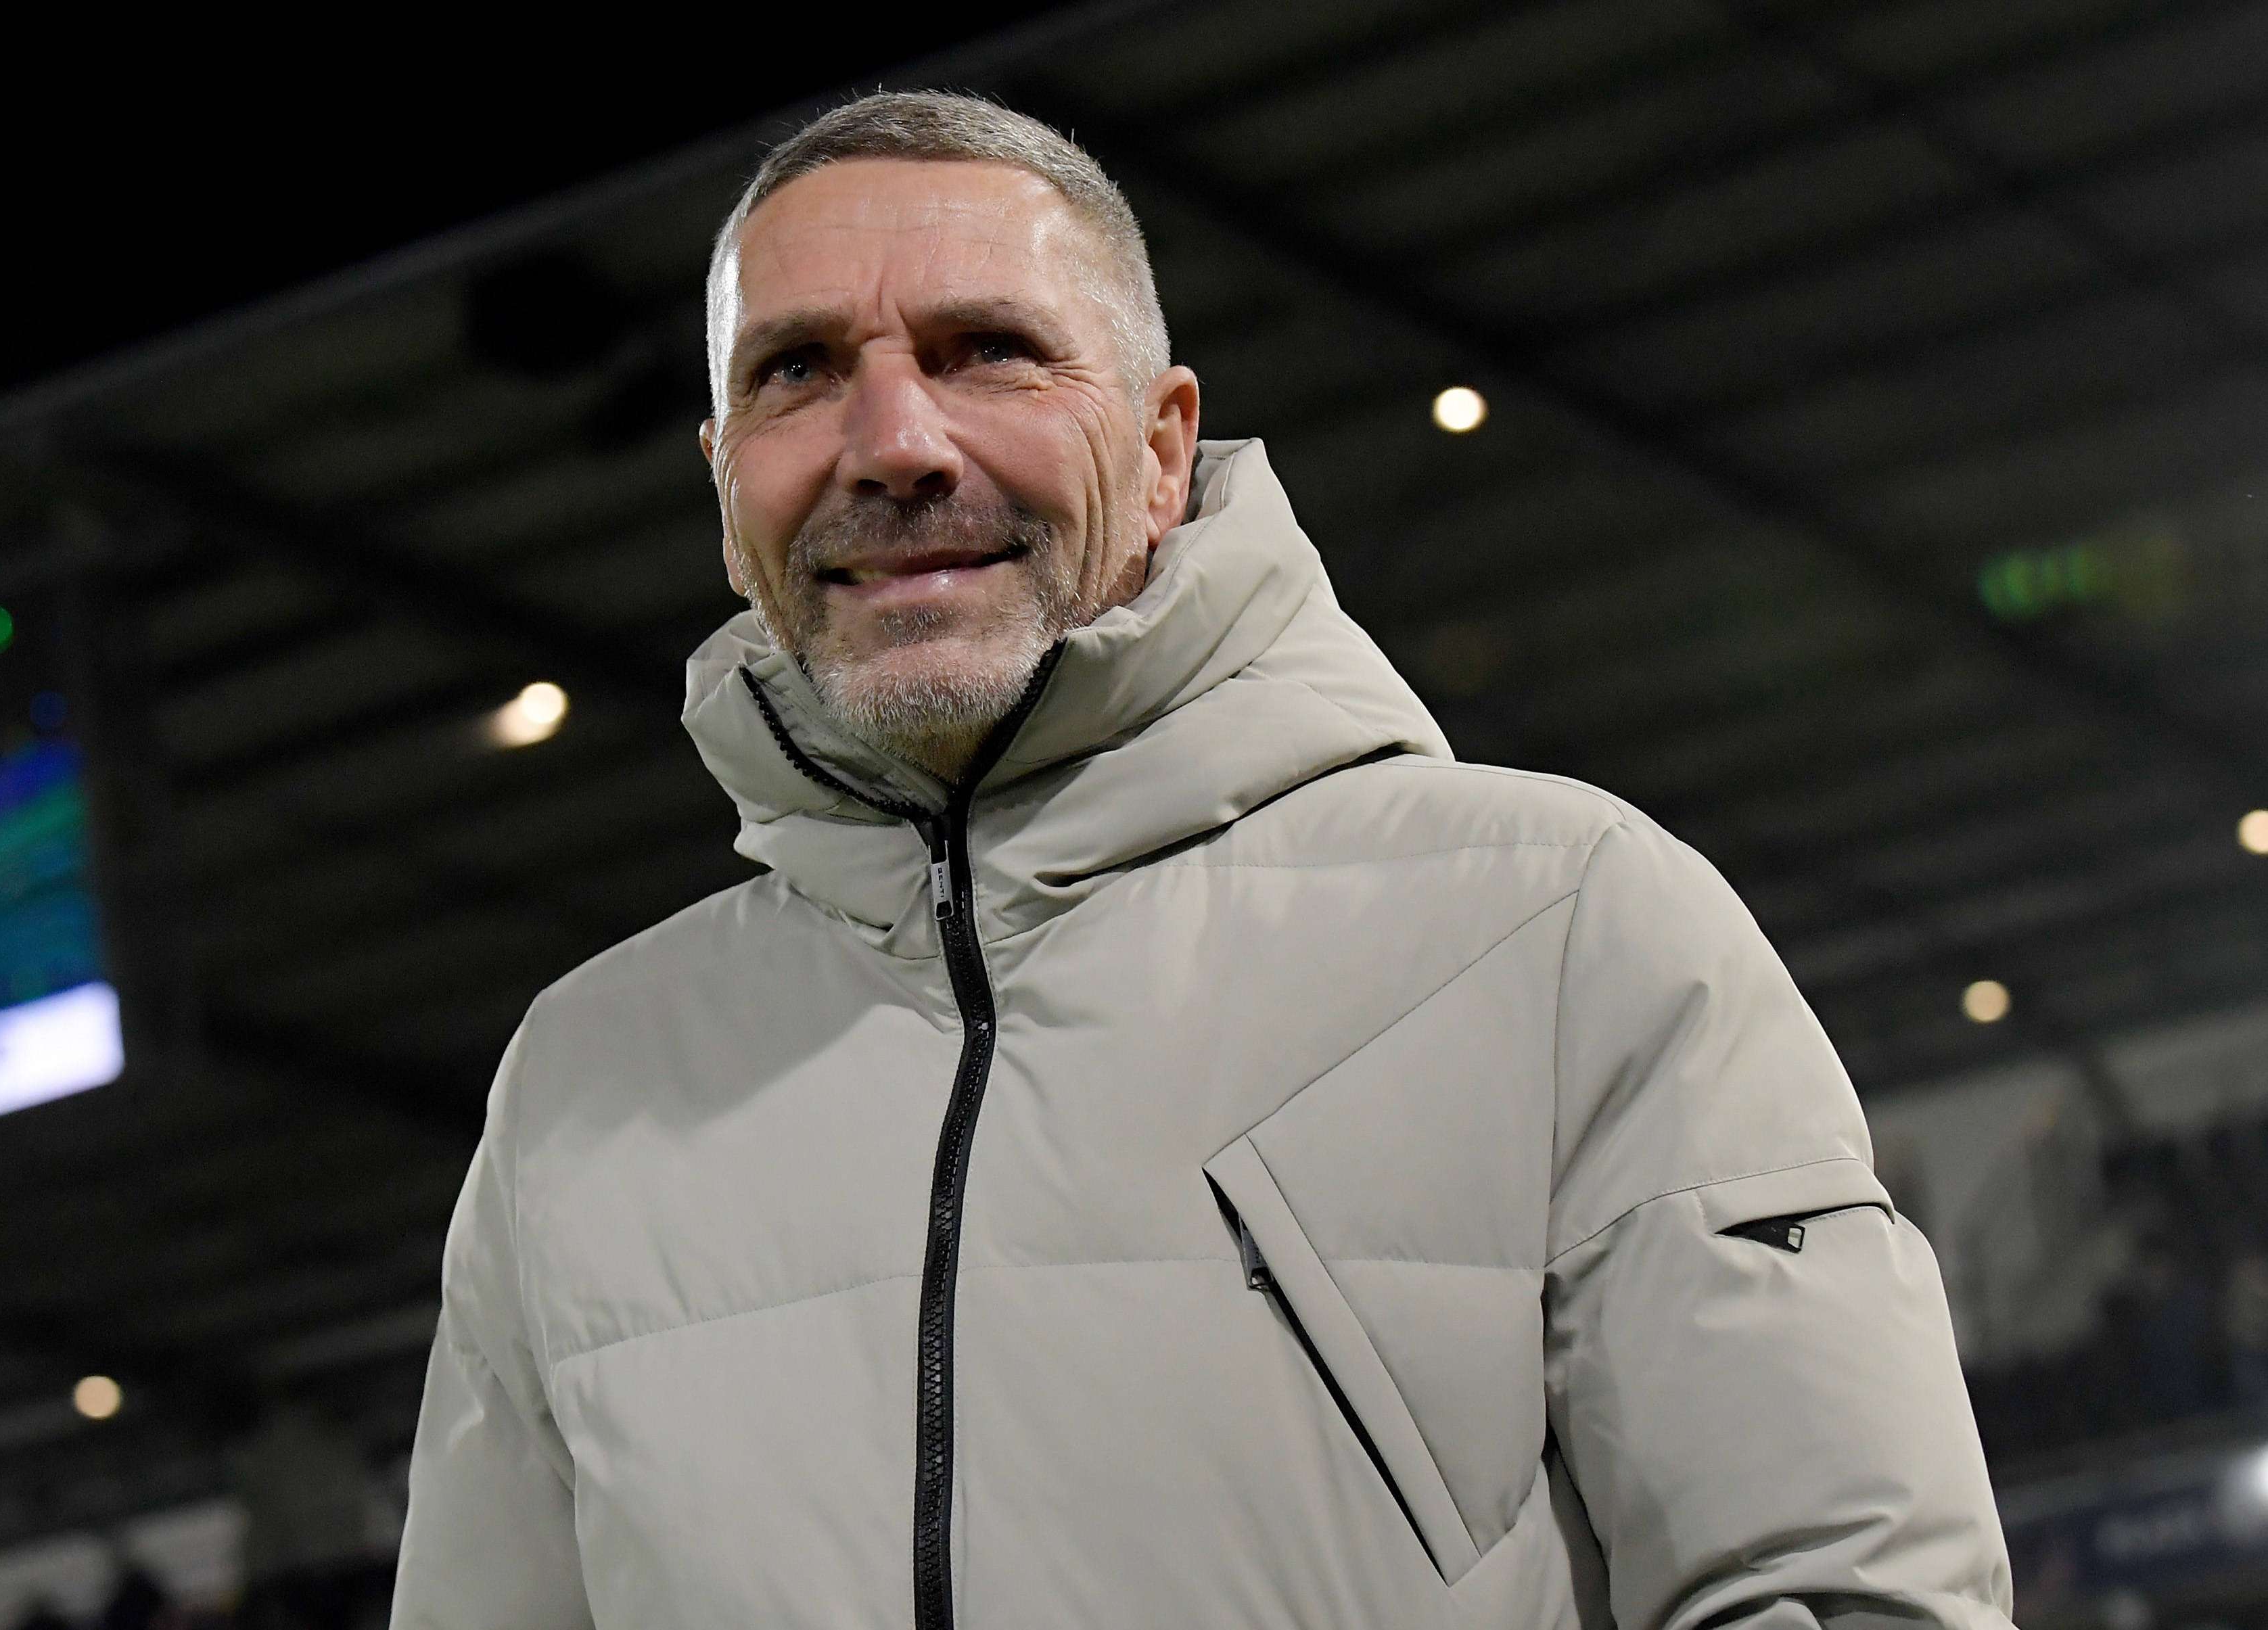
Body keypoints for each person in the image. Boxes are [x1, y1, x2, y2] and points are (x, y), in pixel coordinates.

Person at [392, 91, 2013, 1629]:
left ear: (1164, 446)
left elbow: (1842, 1584)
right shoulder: (581, 1090)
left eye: (986, 351)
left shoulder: (1558, 919)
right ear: (722, 480)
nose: (893, 442)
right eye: (799, 371)